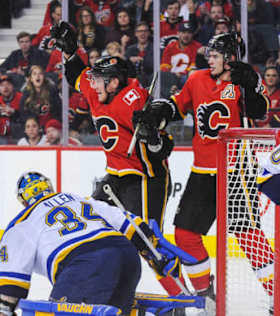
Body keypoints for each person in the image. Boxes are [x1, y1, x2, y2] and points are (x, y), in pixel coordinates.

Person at [137, 32, 273, 313]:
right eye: (208, 54)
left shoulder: (243, 80)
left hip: (236, 170)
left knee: (247, 234)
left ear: (230, 58)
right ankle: (206, 294)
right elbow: (177, 106)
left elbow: (261, 112)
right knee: (185, 233)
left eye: (215, 55)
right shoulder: (197, 78)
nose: (208, 58)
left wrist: (250, 84)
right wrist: (158, 111)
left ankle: (278, 294)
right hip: (202, 170)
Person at [50, 21, 184, 304]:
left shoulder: (134, 100)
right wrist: (71, 51)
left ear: (114, 82)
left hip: (145, 178)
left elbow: (164, 148)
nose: (92, 83)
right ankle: (99, 288)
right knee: (91, 228)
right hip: (114, 178)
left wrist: (151, 133)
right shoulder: (98, 89)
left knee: (148, 244)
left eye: (99, 80)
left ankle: (183, 296)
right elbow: (77, 75)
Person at [0, 171, 183, 316]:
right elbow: (129, 223)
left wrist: (4, 309)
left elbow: (11, 281)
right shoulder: (78, 199)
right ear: (49, 188)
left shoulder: (22, 222)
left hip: (86, 266)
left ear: (23, 200)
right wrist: (155, 253)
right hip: (126, 255)